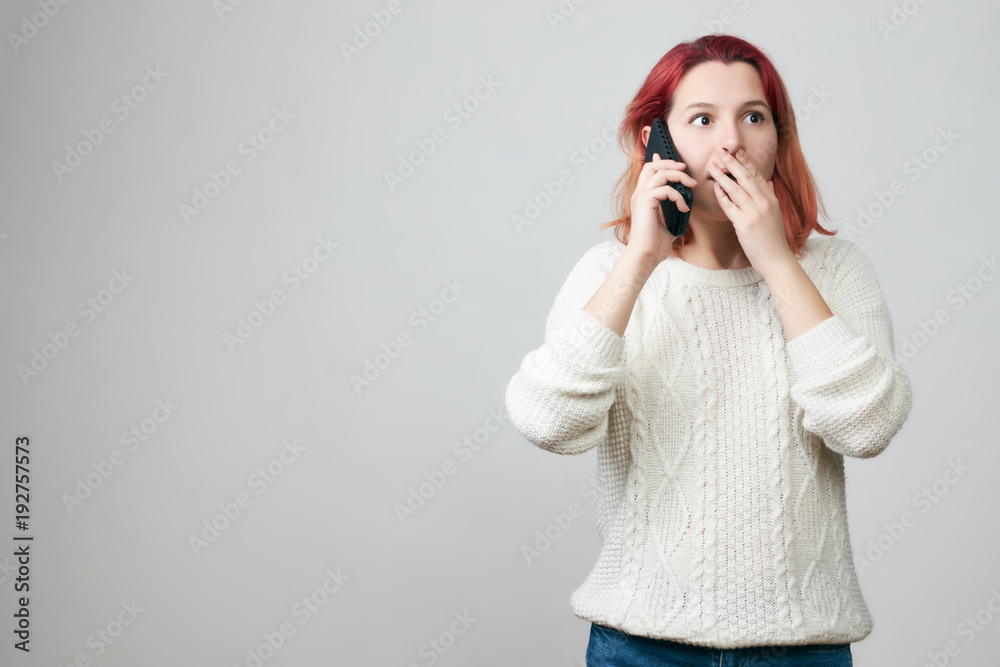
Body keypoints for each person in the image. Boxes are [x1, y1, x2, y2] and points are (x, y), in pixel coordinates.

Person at [504, 33, 913, 667]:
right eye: (702, 119)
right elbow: (549, 423)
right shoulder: (607, 272)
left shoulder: (836, 270)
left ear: (778, 137)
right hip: (640, 645)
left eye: (754, 117)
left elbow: (867, 425)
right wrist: (641, 258)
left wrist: (776, 259)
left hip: (801, 647)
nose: (733, 142)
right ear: (655, 143)